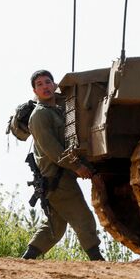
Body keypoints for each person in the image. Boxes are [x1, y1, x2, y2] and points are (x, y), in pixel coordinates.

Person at [21, 69, 103, 261]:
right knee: (83, 218)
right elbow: (54, 149)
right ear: (34, 90)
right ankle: (97, 260)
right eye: (39, 84)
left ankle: (26, 260)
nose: (45, 87)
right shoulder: (39, 115)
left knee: (55, 227)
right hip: (57, 178)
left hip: (57, 178)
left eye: (48, 82)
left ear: (54, 84)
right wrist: (77, 167)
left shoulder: (57, 111)